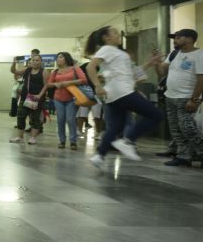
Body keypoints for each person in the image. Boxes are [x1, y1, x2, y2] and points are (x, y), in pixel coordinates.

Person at [85, 26, 164, 170]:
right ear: (106, 37)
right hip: (122, 91)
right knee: (156, 115)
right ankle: (127, 141)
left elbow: (131, 73)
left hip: (114, 93)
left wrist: (150, 63)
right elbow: (90, 67)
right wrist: (97, 85)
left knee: (116, 126)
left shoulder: (117, 53)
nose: (118, 34)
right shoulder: (107, 49)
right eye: (114, 32)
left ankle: (99, 155)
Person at [157, 29, 203, 167]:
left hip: (187, 97)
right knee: (175, 129)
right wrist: (157, 62)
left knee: (188, 128)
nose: (175, 40)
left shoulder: (199, 54)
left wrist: (193, 99)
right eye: (174, 38)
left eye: (178, 37)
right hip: (170, 96)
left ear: (189, 39)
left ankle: (200, 152)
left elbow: (201, 79)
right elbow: (161, 72)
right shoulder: (174, 53)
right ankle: (183, 156)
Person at [46, 52, 87, 150]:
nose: (58, 59)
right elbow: (49, 84)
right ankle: (62, 141)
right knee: (60, 120)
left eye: (60, 57)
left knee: (70, 119)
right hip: (58, 98)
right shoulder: (55, 71)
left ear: (66, 59)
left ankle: (73, 142)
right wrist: (55, 84)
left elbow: (84, 80)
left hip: (72, 98)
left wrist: (68, 83)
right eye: (57, 57)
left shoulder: (75, 68)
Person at [9, 54, 48, 145]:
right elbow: (13, 71)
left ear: (41, 62)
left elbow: (46, 85)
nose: (35, 62)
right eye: (33, 60)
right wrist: (14, 63)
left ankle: (33, 137)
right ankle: (20, 137)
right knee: (21, 117)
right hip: (25, 97)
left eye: (37, 60)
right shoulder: (27, 70)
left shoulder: (44, 72)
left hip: (35, 98)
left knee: (35, 118)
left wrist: (40, 95)